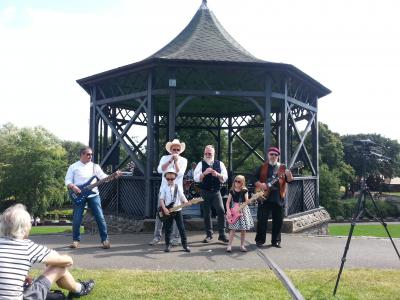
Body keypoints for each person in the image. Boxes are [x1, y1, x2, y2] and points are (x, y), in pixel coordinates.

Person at [0, 204, 95, 299]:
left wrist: (23, 277)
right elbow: (68, 261)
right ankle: (80, 289)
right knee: (58, 267)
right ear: (24, 227)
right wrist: (58, 258)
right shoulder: (27, 247)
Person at [65, 146, 121, 249]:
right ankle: (75, 241)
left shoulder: (95, 166)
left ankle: (105, 240)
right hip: (78, 195)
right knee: (77, 219)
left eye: (91, 154)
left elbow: (104, 178)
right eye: (88, 154)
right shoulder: (73, 166)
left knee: (100, 217)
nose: (90, 156)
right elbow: (67, 181)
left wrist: (113, 176)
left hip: (94, 195)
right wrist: (73, 187)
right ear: (82, 155)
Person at [149, 139, 188, 246]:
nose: (175, 151)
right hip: (164, 191)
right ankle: (157, 237)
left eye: (177, 149)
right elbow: (159, 170)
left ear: (180, 150)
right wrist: (170, 160)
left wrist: (175, 161)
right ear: (170, 150)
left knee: (176, 215)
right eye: (174, 149)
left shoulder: (184, 160)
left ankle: (175, 238)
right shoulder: (164, 158)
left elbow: (179, 174)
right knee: (160, 214)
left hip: (176, 192)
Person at [254, 147, 293, 248]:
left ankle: (275, 241)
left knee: (278, 221)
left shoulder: (283, 168)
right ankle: (260, 240)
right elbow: (253, 178)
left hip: (278, 197)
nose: (273, 156)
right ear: (268, 155)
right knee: (262, 220)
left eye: (276, 155)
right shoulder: (262, 167)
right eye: (271, 154)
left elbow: (289, 180)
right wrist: (260, 184)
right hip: (263, 197)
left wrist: (289, 175)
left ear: (278, 157)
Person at [194, 145, 229, 243]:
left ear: (213, 154)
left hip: (216, 192)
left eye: (210, 153)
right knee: (206, 214)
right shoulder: (200, 164)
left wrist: (217, 175)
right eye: (206, 153)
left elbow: (225, 177)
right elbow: (195, 178)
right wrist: (204, 173)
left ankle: (222, 234)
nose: (207, 155)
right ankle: (209, 234)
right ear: (204, 154)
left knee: (221, 210)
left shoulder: (220, 163)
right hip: (204, 191)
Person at [159, 170, 191, 253]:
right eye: (168, 179)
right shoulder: (164, 188)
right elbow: (161, 199)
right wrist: (164, 208)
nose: (170, 180)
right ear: (166, 179)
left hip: (177, 210)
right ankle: (167, 245)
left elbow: (182, 197)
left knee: (181, 228)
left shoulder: (178, 187)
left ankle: (185, 245)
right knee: (168, 228)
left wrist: (187, 202)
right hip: (167, 211)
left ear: (175, 178)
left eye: (172, 179)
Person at [225, 175, 254, 252]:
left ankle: (242, 245)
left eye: (239, 181)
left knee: (243, 229)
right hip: (234, 209)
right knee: (233, 229)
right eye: (236, 181)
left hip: (243, 210)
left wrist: (249, 200)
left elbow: (247, 201)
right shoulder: (232, 191)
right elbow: (228, 202)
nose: (237, 182)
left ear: (242, 183)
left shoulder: (244, 190)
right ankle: (229, 245)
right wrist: (228, 210)